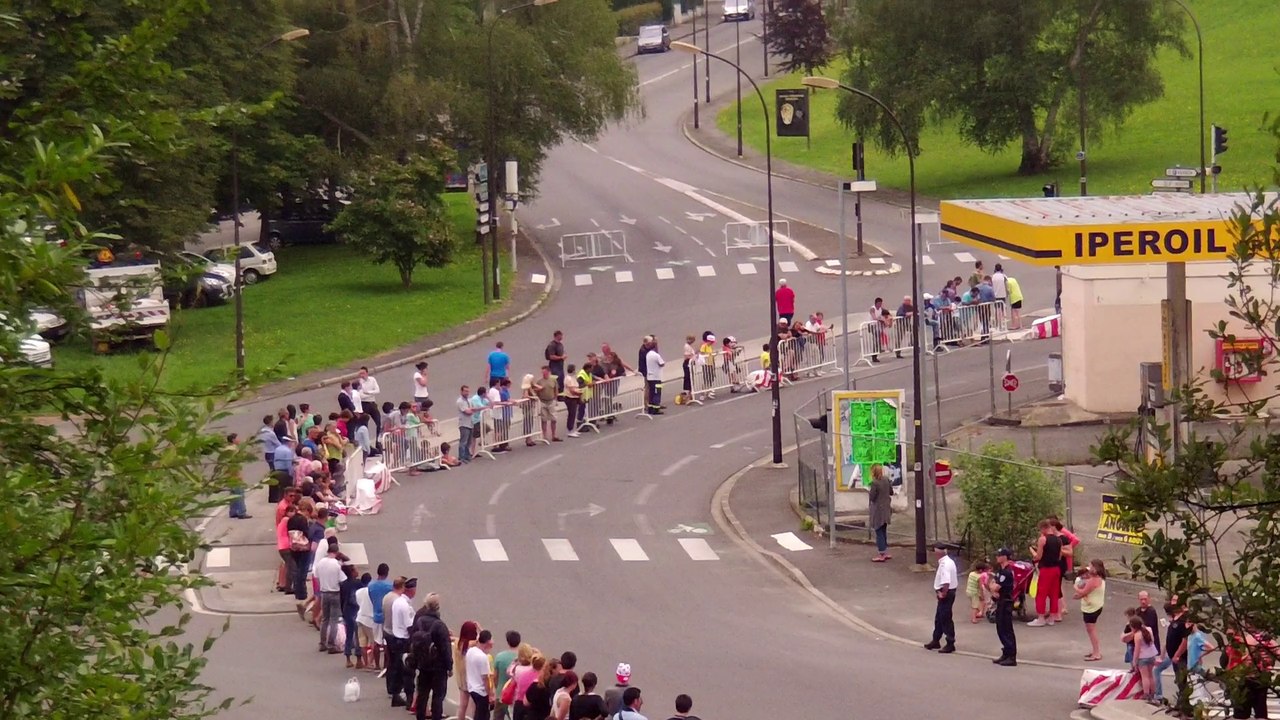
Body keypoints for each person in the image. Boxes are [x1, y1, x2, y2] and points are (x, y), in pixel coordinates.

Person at [412, 592, 452, 720]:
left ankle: (420, 717)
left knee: (422, 694)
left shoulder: (420, 621)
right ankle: (436, 717)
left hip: (423, 663)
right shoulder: (439, 625)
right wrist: (449, 666)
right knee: (438, 696)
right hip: (438, 666)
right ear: (437, 607)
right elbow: (445, 648)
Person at [387, 577, 418, 707]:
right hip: (403, 640)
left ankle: (396, 695)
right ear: (411, 590)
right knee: (408, 671)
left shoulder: (398, 601)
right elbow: (409, 626)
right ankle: (410, 698)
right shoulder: (405, 606)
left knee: (397, 669)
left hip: (396, 638)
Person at [924, 542, 957, 653]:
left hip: (946, 593)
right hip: (948, 592)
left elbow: (946, 581)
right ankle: (936, 639)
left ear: (938, 553)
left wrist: (943, 593)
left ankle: (950, 642)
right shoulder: (948, 561)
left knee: (945, 618)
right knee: (939, 618)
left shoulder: (945, 565)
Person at [1028, 519, 1062, 626]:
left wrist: (1033, 554)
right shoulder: (1058, 540)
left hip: (1046, 569)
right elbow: (1060, 556)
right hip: (1056, 569)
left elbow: (1038, 556)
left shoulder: (1042, 539)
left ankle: (1041, 618)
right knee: (1054, 593)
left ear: (1043, 528)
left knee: (1041, 593)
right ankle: (1052, 617)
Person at [314, 538, 345, 654]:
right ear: (336, 552)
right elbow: (342, 580)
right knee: (333, 620)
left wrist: (322, 586)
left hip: (324, 592)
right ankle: (331, 644)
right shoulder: (336, 564)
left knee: (324, 619)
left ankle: (322, 643)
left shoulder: (321, 562)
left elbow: (316, 577)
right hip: (334, 593)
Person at [1156, 600, 1189, 705]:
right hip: (1173, 656)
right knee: (1179, 681)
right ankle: (1182, 703)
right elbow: (1169, 639)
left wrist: (1177, 655)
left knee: (1182, 680)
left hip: (1180, 657)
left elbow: (1185, 640)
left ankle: (1184, 705)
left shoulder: (1182, 621)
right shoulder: (1175, 620)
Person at [1074, 559, 1107, 661]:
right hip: (1097, 605)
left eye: (1091, 566)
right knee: (1091, 630)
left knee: (1091, 630)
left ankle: (1096, 653)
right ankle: (1095, 651)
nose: (1089, 568)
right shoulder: (1100, 578)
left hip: (1091, 608)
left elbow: (1083, 592)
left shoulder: (1093, 581)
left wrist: (1075, 587)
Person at [989, 547, 1017, 666]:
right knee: (1000, 628)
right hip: (1000, 601)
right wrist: (992, 586)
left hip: (1006, 601)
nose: (997, 557)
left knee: (1006, 628)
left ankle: (1011, 655)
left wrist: (992, 586)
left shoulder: (1006, 572)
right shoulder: (1000, 571)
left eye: (999, 555)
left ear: (1005, 557)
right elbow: (991, 583)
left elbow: (995, 587)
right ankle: (1005, 652)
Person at [1123, 616, 1159, 702]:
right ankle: (1153, 693)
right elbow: (1153, 641)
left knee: (1145, 677)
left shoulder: (1137, 635)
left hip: (1143, 657)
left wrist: (1135, 661)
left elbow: (1137, 649)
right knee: (1151, 675)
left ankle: (1146, 694)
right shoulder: (1149, 629)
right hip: (1151, 655)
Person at [367, 563, 393, 673]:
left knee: (377, 642)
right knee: (387, 642)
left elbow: (371, 599)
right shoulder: (389, 586)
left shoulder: (371, 585)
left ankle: (377, 665)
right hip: (387, 616)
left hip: (376, 615)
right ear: (387, 573)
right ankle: (386, 665)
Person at [453, 621, 480, 720]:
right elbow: (484, 638)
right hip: (471, 677)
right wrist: (480, 628)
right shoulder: (472, 644)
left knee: (463, 704)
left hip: (461, 677)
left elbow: (454, 639)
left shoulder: (458, 643)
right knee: (474, 704)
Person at [467, 629, 496, 720]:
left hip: (472, 687)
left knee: (478, 713)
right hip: (481, 691)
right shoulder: (483, 658)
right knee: (483, 715)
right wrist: (490, 694)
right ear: (487, 642)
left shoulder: (471, 651)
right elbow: (485, 679)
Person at [339, 564, 365, 668]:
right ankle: (359, 658)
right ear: (352, 572)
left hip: (347, 610)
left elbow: (341, 599)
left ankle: (348, 658)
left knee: (349, 635)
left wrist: (342, 612)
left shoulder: (343, 584)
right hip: (356, 609)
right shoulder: (358, 583)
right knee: (358, 635)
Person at [493, 631, 522, 720]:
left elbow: (495, 677)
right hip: (514, 696)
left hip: (501, 694)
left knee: (497, 717)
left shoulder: (500, 656)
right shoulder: (522, 658)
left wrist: (497, 688)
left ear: (507, 641)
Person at [867, 464, 892, 562]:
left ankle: (882, 553)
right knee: (884, 530)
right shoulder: (886, 480)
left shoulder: (874, 483)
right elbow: (891, 492)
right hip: (886, 508)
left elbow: (872, 497)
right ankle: (885, 551)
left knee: (878, 531)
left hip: (878, 510)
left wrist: (869, 491)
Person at [225, 433, 251, 519]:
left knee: (233, 494)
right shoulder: (234, 450)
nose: (239, 440)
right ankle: (241, 512)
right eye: (237, 438)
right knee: (239, 494)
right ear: (233, 440)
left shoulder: (227, 449)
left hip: (229, 475)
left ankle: (233, 511)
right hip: (235, 475)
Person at [533, 366, 562, 442]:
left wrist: (556, 400)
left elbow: (556, 390)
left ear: (548, 372)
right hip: (542, 401)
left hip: (551, 401)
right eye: (542, 372)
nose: (543, 374)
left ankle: (554, 435)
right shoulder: (539, 381)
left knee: (554, 419)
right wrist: (538, 390)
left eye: (545, 372)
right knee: (544, 419)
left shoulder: (553, 380)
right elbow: (535, 391)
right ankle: (544, 435)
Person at [355, 571, 376, 670]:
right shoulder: (371, 591)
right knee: (373, 642)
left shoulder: (358, 592)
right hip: (369, 619)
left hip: (360, 617)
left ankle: (365, 663)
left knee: (362, 642)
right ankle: (371, 662)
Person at [644, 338, 665, 415]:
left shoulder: (648, 354)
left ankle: (650, 408)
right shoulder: (656, 355)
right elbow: (662, 363)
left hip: (650, 377)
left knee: (651, 393)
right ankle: (656, 409)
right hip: (656, 377)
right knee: (657, 393)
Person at [456, 385, 475, 463]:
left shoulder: (469, 400)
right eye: (465, 391)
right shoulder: (460, 401)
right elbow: (467, 412)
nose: (467, 393)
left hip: (470, 423)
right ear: (461, 391)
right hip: (464, 424)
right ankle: (461, 457)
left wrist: (472, 410)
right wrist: (472, 410)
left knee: (469, 441)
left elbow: (473, 409)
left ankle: (467, 455)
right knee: (463, 441)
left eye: (468, 391)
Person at [564, 364, 583, 438]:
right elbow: (572, 390)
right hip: (570, 398)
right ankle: (570, 430)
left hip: (574, 398)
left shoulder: (573, 377)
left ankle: (572, 429)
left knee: (574, 414)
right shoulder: (568, 378)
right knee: (571, 414)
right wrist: (579, 393)